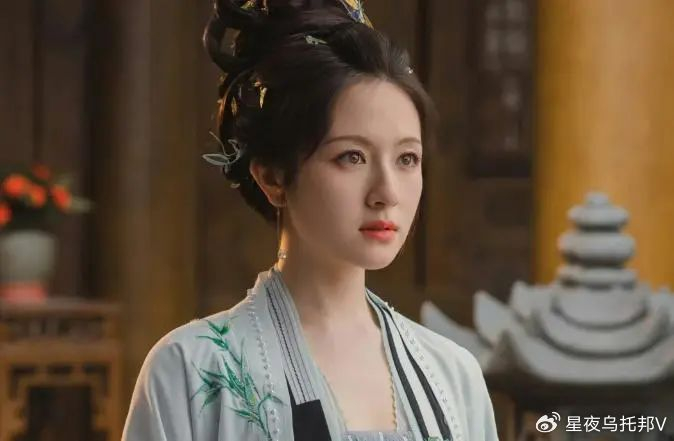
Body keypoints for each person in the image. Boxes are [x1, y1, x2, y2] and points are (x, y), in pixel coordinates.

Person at [122, 1, 499, 440]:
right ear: (272, 176)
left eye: (406, 159)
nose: (387, 193)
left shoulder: (453, 375)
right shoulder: (193, 369)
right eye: (351, 157)